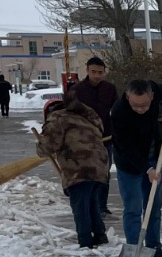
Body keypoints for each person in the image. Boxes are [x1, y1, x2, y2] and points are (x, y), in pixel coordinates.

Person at [109, 78, 162, 257]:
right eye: (135, 105)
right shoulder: (119, 112)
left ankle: (154, 247)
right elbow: (126, 148)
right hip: (128, 163)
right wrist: (147, 169)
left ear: (152, 96)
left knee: (154, 206)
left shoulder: (156, 90)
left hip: (152, 155)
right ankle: (134, 248)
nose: (140, 109)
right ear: (127, 96)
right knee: (133, 208)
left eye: (144, 105)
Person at [36, 92, 110, 248]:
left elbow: (48, 145)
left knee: (80, 206)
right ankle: (100, 236)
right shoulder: (88, 116)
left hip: (78, 168)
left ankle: (85, 242)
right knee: (91, 202)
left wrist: (40, 147)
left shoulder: (58, 118)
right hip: (100, 166)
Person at [69, 57, 118, 216]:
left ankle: (102, 207)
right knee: (88, 174)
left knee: (104, 173)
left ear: (104, 72)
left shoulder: (110, 88)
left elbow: (116, 111)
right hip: (84, 140)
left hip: (106, 138)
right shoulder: (77, 90)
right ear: (87, 71)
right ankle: (90, 207)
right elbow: (69, 115)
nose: (97, 75)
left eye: (100, 72)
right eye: (93, 72)